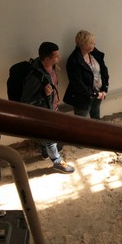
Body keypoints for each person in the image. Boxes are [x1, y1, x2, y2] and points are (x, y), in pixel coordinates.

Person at [20, 41, 75, 174]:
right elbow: (24, 102)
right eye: (56, 56)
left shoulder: (49, 67)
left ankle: (45, 151)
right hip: (43, 114)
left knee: (49, 138)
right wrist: (43, 94)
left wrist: (54, 66)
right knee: (51, 139)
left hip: (52, 109)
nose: (59, 57)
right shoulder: (35, 78)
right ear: (47, 59)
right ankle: (57, 162)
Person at [64, 30, 110, 119]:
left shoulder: (95, 54)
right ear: (83, 44)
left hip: (99, 92)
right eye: (91, 43)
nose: (94, 44)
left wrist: (104, 88)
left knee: (96, 116)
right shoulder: (73, 61)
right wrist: (95, 94)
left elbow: (104, 71)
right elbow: (78, 84)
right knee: (81, 121)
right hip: (83, 98)